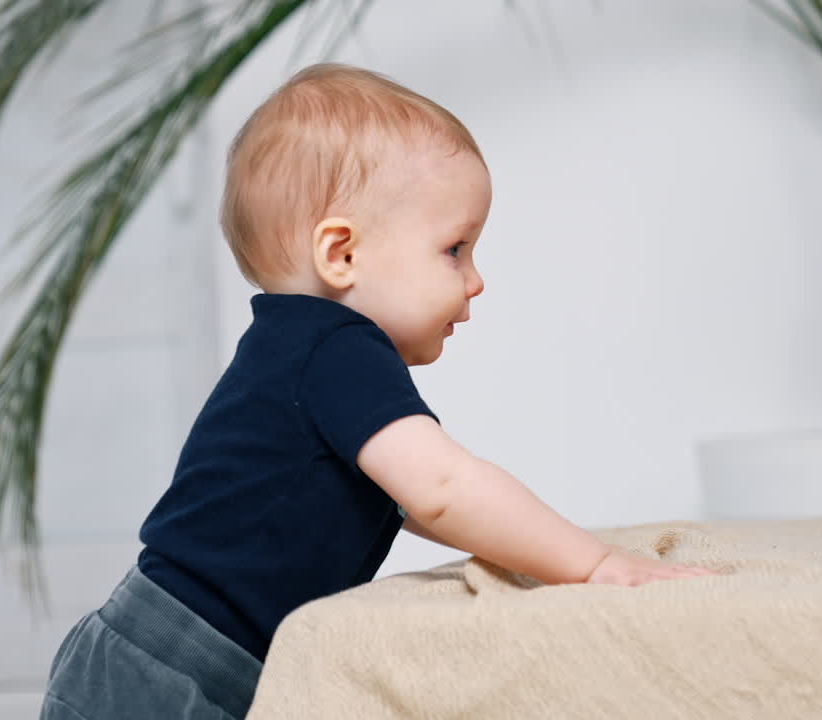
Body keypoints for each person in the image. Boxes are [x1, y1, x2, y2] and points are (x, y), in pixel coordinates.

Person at [40, 62, 713, 720]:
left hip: (171, 661)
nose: (475, 279)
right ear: (342, 254)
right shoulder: (333, 346)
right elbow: (442, 489)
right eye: (455, 249)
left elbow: (405, 495)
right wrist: (592, 563)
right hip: (167, 674)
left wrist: (531, 545)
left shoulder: (302, 350)